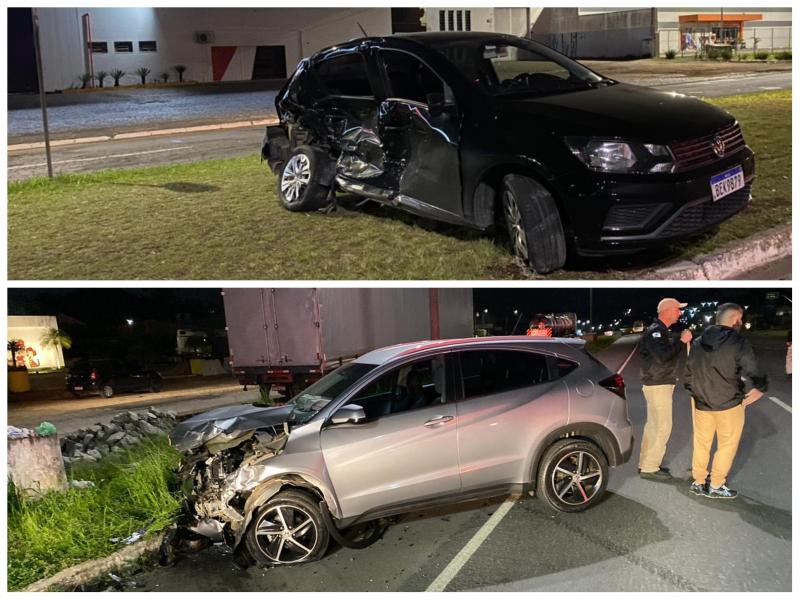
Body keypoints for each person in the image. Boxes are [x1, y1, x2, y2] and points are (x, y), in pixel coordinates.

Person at [684, 303, 768, 499]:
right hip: (728, 403)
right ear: (733, 319)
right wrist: (760, 386)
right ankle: (716, 484)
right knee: (727, 445)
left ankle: (698, 482)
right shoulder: (738, 341)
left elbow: (688, 374)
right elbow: (752, 367)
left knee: (701, 444)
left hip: (703, 404)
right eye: (739, 318)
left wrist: (697, 394)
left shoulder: (697, 342)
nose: (741, 322)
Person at [638, 298, 692, 481]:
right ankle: (650, 467)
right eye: (678, 309)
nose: (680, 313)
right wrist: (682, 342)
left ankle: (646, 463)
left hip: (657, 383)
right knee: (662, 426)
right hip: (658, 384)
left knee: (653, 426)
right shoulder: (656, 332)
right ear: (668, 311)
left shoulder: (660, 331)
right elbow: (663, 357)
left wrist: (678, 340)